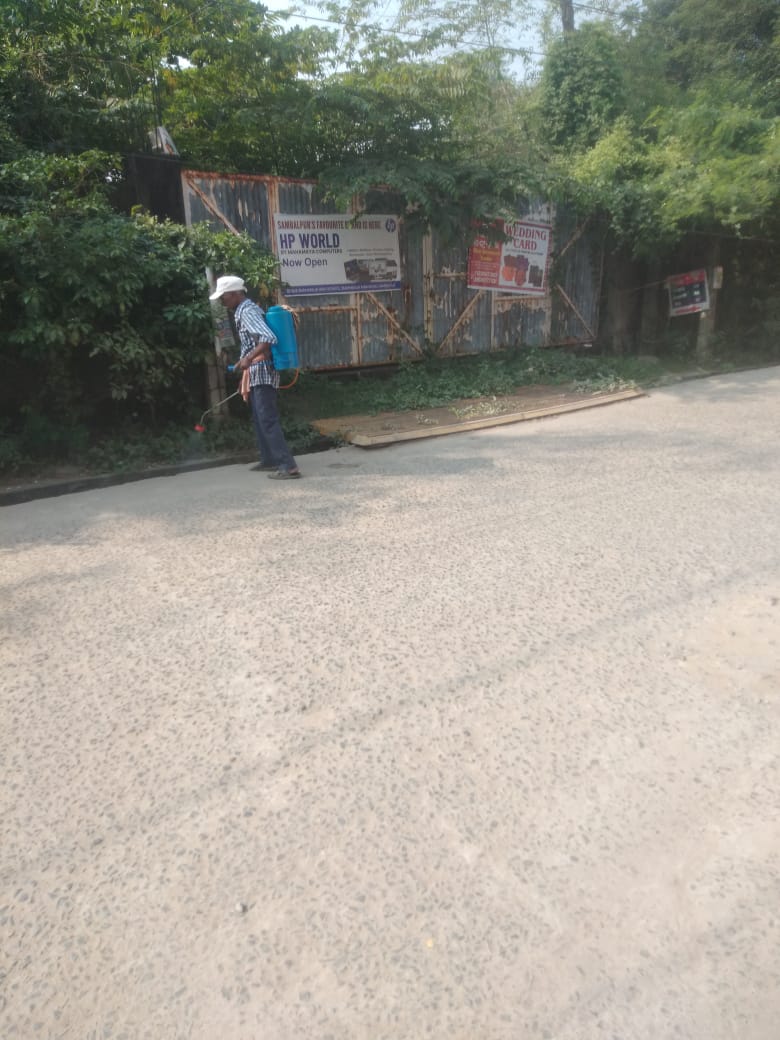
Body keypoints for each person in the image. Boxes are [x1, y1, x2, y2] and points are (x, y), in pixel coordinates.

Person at [209, 275, 301, 480]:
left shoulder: (247, 311)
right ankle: (269, 459)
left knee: (267, 419)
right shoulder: (245, 310)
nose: (222, 302)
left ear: (234, 294)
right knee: (260, 418)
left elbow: (268, 338)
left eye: (224, 297)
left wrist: (248, 358)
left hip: (262, 372)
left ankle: (288, 466)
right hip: (257, 372)